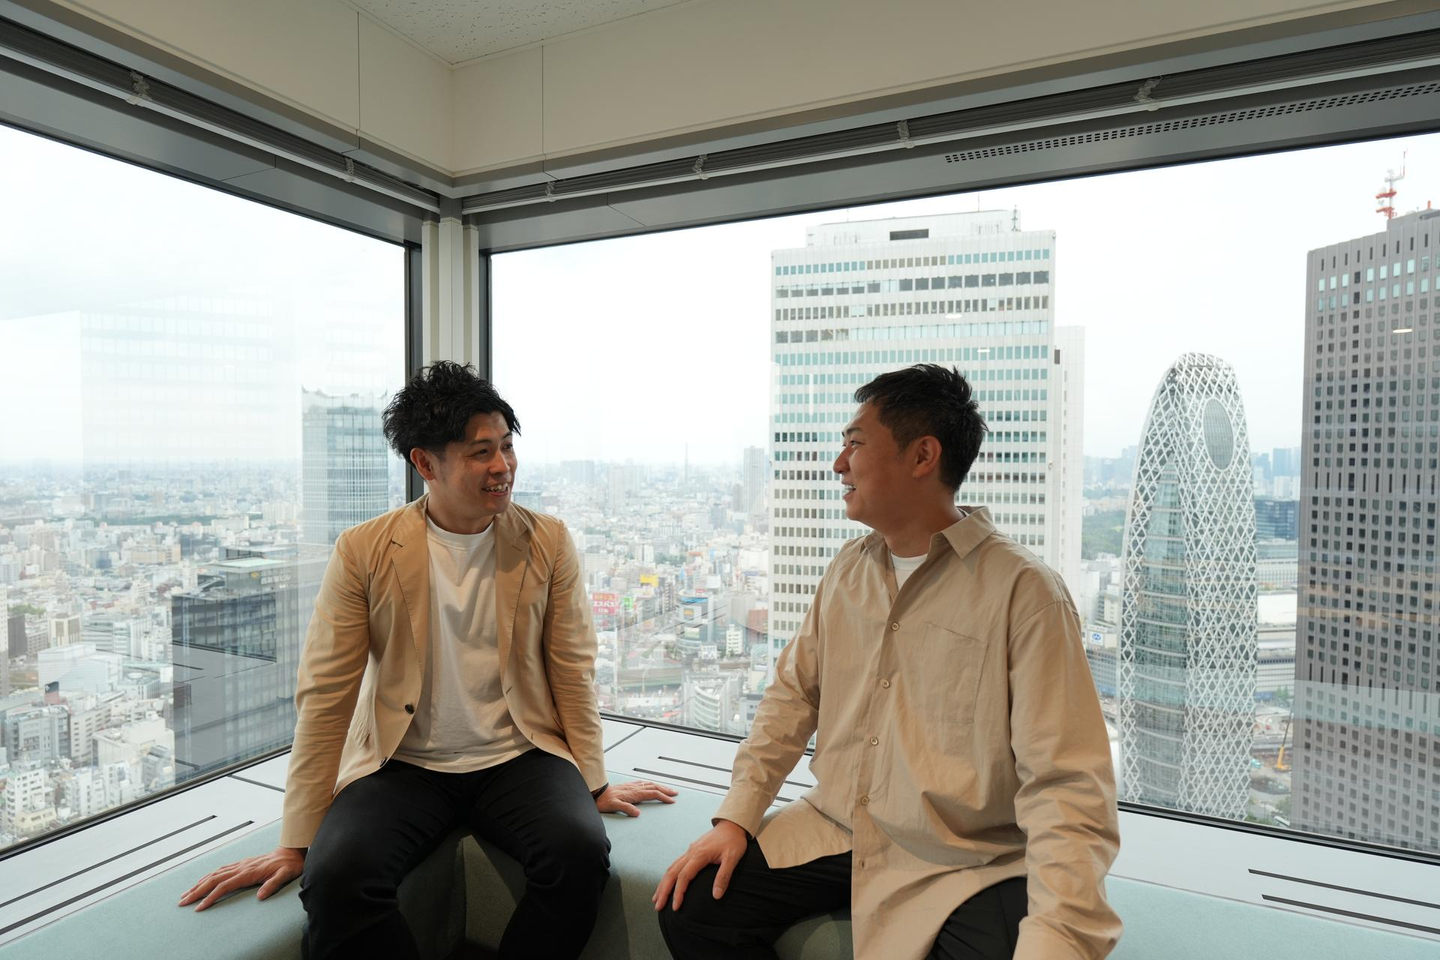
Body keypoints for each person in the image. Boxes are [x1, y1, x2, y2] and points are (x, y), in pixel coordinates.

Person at [180, 361, 676, 960]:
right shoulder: (364, 550)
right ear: (425, 464)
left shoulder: (547, 541)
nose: (503, 466)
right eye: (480, 452)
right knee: (336, 880)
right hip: (401, 763)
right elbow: (327, 694)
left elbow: (572, 670)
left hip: (519, 755)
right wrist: (296, 840)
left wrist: (593, 782)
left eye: (507, 446)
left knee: (579, 856)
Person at [654, 364, 1121, 960]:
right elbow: (792, 697)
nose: (838, 464)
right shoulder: (848, 570)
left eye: (854, 443)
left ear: (923, 455)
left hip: (964, 857)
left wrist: (1059, 937)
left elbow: (1066, 782)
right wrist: (737, 819)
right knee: (693, 908)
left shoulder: (1024, 592)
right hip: (838, 824)